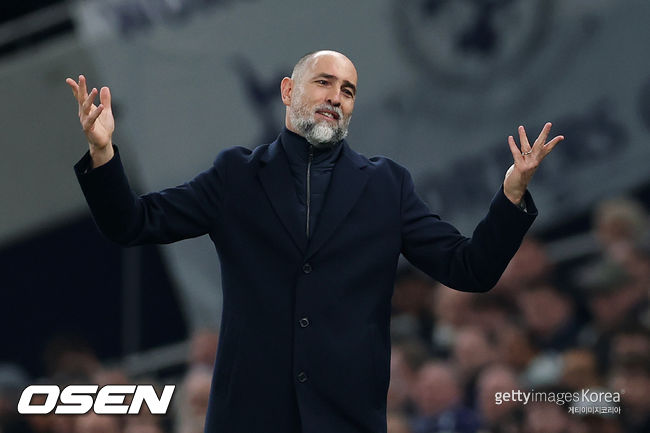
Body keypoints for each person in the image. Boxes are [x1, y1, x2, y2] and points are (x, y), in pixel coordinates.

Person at [66, 50, 563, 433]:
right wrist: (103, 152)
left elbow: (469, 268)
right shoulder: (235, 177)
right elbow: (133, 223)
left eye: (347, 90)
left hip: (346, 417)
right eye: (323, 82)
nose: (335, 97)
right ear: (288, 90)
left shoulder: (386, 186)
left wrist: (511, 196)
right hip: (248, 418)